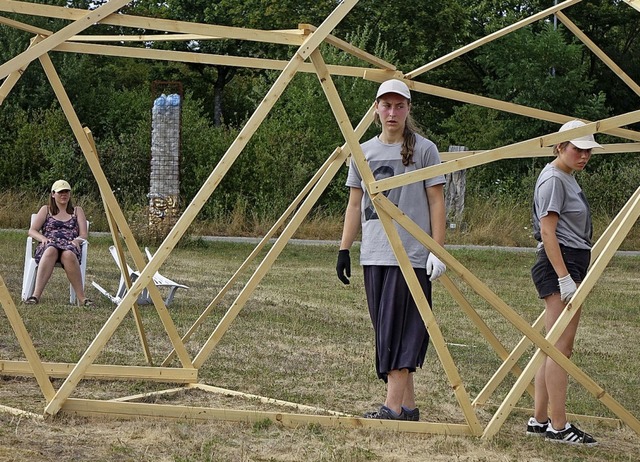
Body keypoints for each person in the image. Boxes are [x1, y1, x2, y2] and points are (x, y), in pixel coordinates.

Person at [336, 79, 446, 421]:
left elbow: (436, 200)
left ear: (408, 109)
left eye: (399, 106)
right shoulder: (363, 150)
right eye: (386, 105)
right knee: (386, 330)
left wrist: (437, 250)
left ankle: (392, 408)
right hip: (375, 254)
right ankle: (408, 407)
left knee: (400, 331)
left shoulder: (425, 150)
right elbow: (355, 204)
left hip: (410, 255)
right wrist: (344, 249)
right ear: (376, 110)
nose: (392, 112)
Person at [527, 120, 601, 446]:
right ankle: (559, 426)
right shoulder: (554, 179)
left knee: (553, 346)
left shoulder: (566, 176)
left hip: (570, 261)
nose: (583, 155)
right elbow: (547, 231)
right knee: (560, 349)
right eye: (577, 149)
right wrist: (564, 277)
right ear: (560, 147)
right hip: (562, 262)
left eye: (588, 150)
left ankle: (540, 419)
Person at [25, 180, 94, 307]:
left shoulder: (77, 211)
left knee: (68, 254)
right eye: (60, 192)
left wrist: (77, 240)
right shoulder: (46, 209)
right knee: (51, 250)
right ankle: (35, 296)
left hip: (69, 245)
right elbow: (32, 230)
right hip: (50, 244)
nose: (64, 195)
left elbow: (84, 234)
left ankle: (82, 298)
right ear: (53, 194)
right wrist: (42, 238)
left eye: (66, 192)